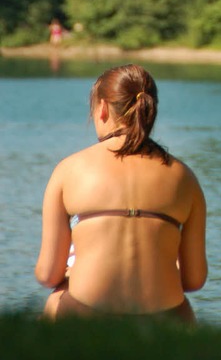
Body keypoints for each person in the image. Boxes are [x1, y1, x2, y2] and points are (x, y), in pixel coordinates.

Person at [35, 64, 208, 324]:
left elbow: (48, 274)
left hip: (87, 314)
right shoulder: (184, 177)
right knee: (184, 309)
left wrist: (75, 271)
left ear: (102, 109)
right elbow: (194, 280)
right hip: (164, 319)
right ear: (149, 110)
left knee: (56, 297)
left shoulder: (69, 170)